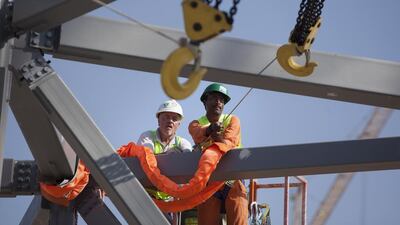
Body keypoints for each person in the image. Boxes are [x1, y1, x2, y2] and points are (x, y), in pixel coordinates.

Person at [189, 83, 248, 225]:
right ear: (205, 101)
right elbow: (197, 133)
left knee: (239, 219)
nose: (218, 102)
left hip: (233, 180)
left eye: (222, 100)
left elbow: (229, 143)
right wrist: (210, 129)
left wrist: (216, 135)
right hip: (209, 182)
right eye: (214, 98)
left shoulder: (233, 120)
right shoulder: (196, 123)